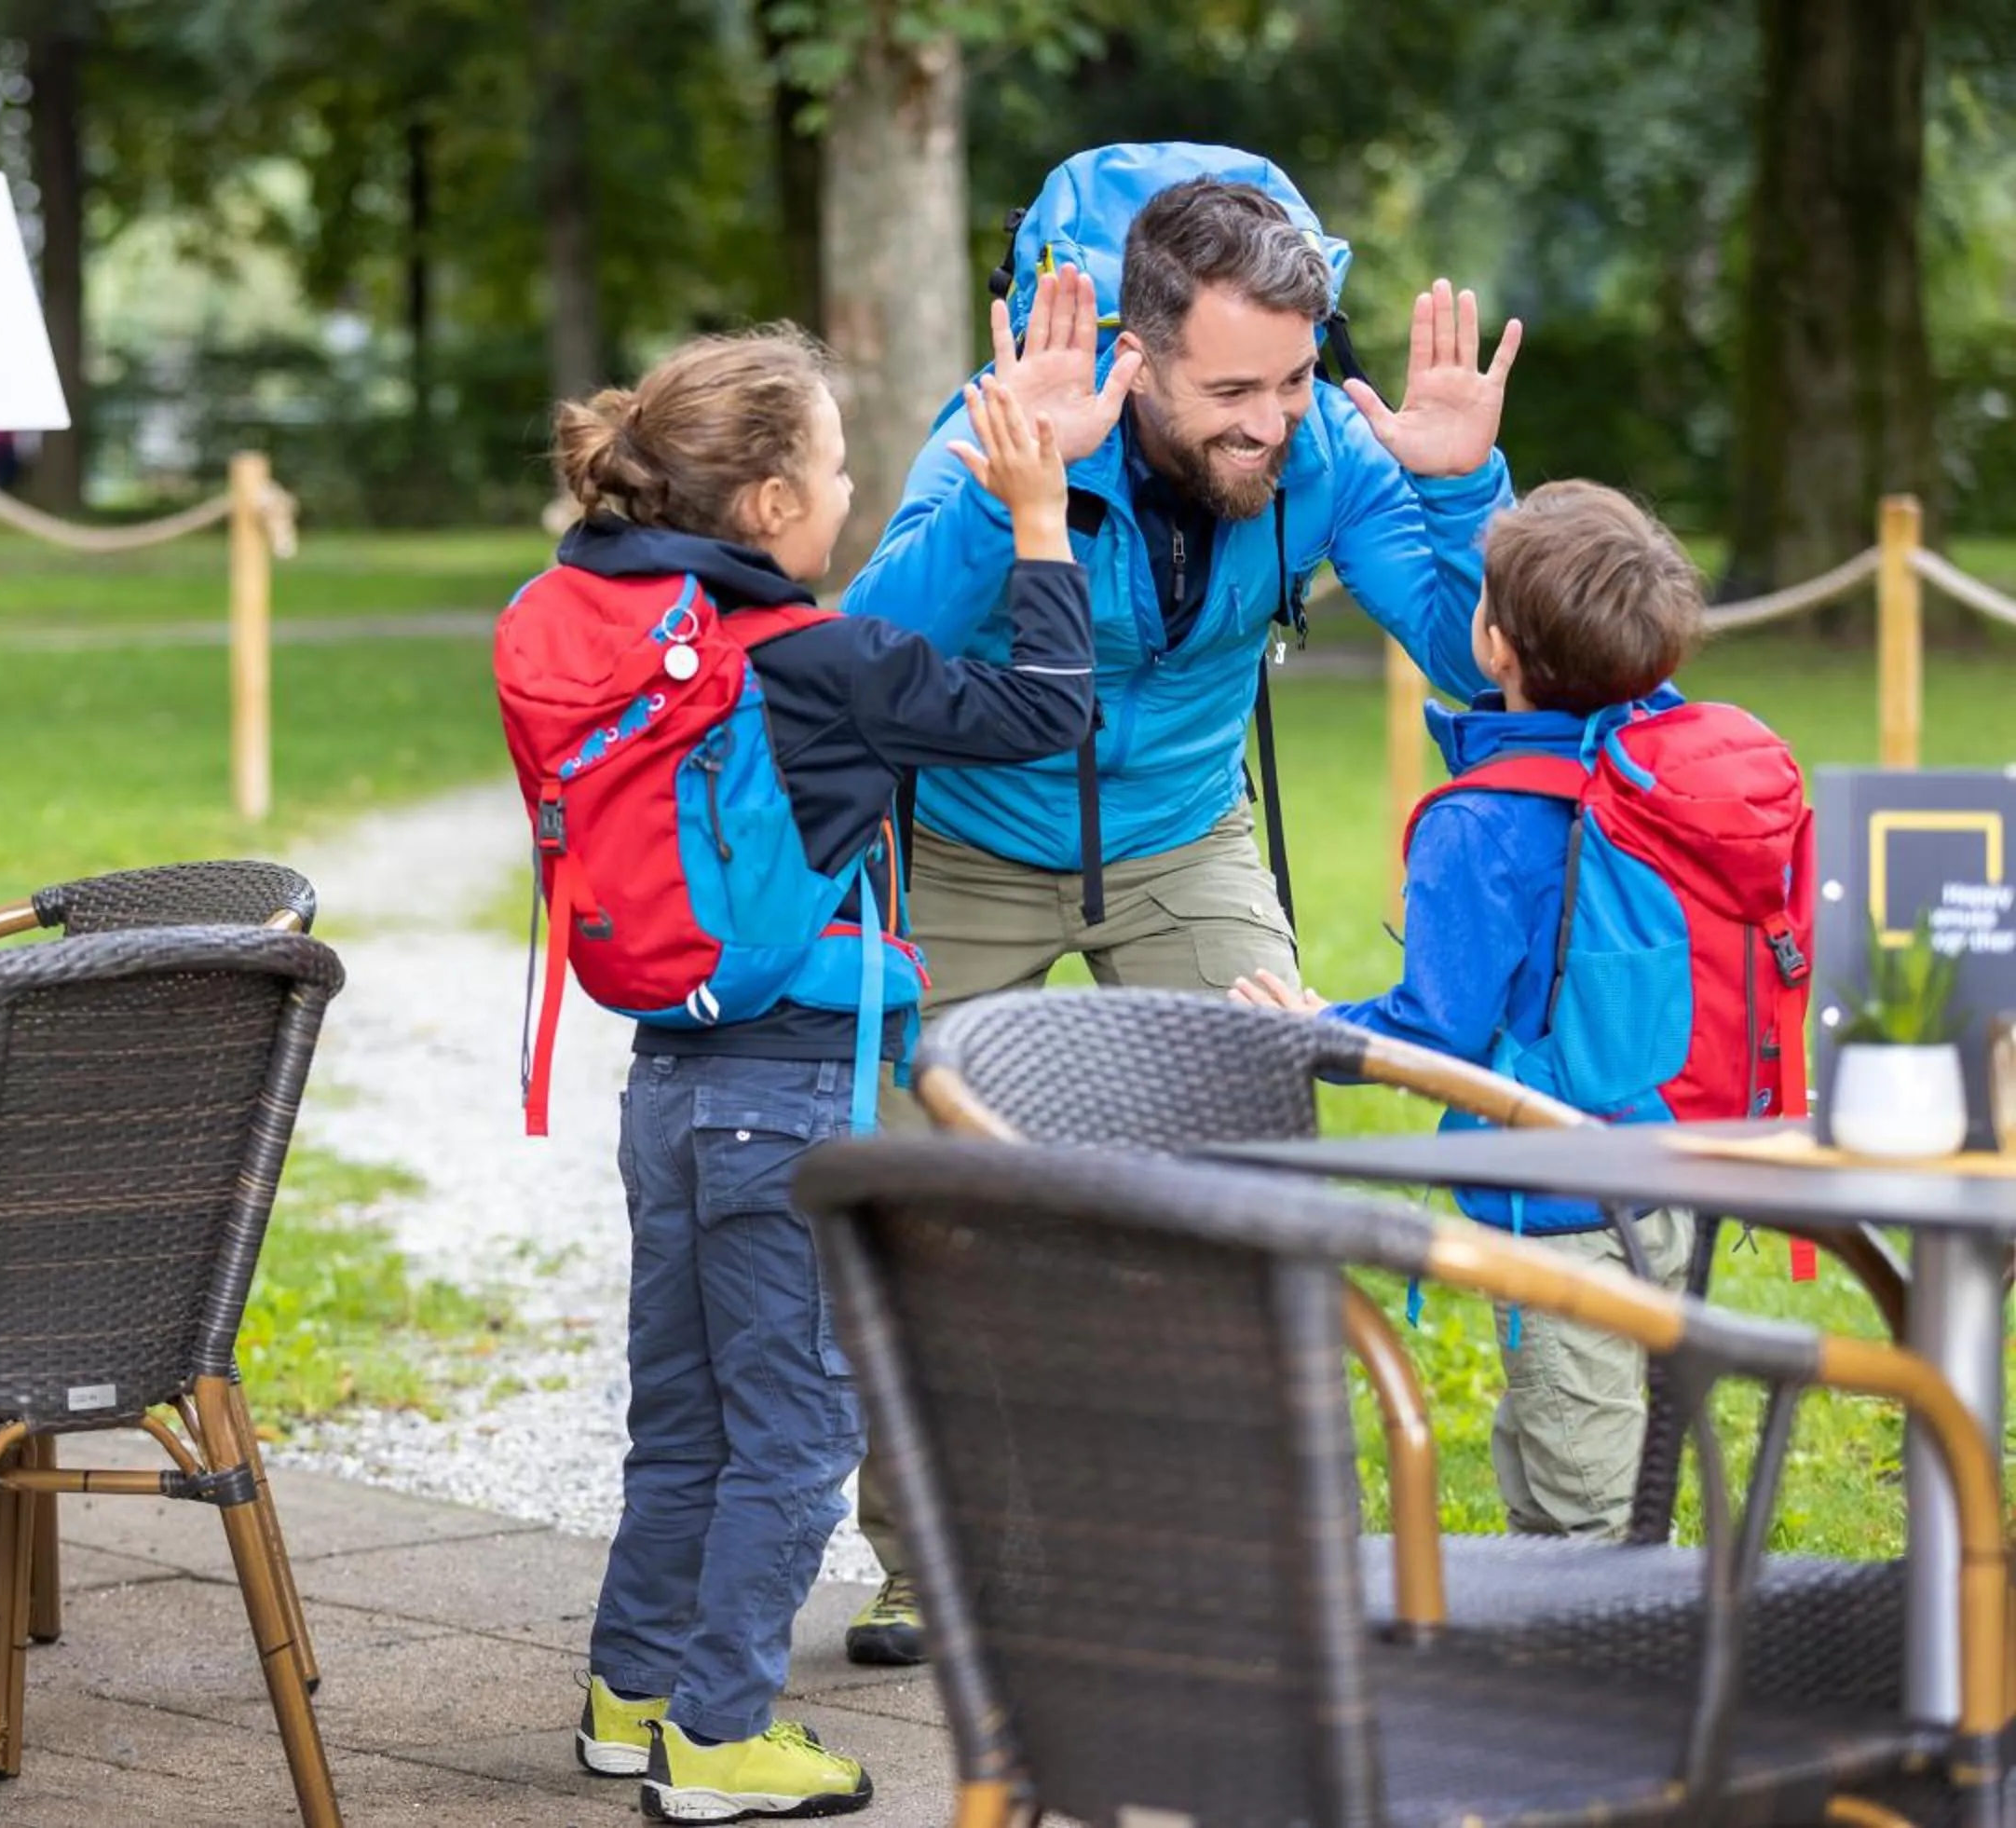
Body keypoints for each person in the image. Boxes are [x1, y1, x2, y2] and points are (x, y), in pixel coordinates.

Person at [831, 147, 1524, 1665]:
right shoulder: (1004, 426)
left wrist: (1465, 486)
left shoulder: (1327, 451)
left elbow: (1485, 659)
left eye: (1289, 379)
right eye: (1232, 393)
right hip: (966, 838)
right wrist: (1026, 487)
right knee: (928, 1205)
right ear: (1134, 356)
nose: (1269, 422)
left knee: (1257, 1163)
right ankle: (933, 1559)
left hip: (1184, 835)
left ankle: (1250, 1538)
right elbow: (865, 661)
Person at [507, 327, 1111, 1821]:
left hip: (661, 1080)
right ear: (773, 505)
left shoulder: (597, 619)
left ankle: (628, 1690)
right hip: (787, 1095)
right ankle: (718, 1736)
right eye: (838, 465)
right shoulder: (825, 663)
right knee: (798, 1428)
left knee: (689, 1412)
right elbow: (1048, 714)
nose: (848, 488)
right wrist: (1041, 523)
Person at [1233, 480, 1775, 1539]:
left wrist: (1311, 1034)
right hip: (1676, 1172)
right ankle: (1576, 1647)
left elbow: (1440, 1034)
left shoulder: (1477, 825)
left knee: (1590, 1508)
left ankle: (1620, 1678)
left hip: (1562, 1203)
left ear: (1491, 642)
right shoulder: (1661, 767)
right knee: (1560, 1456)